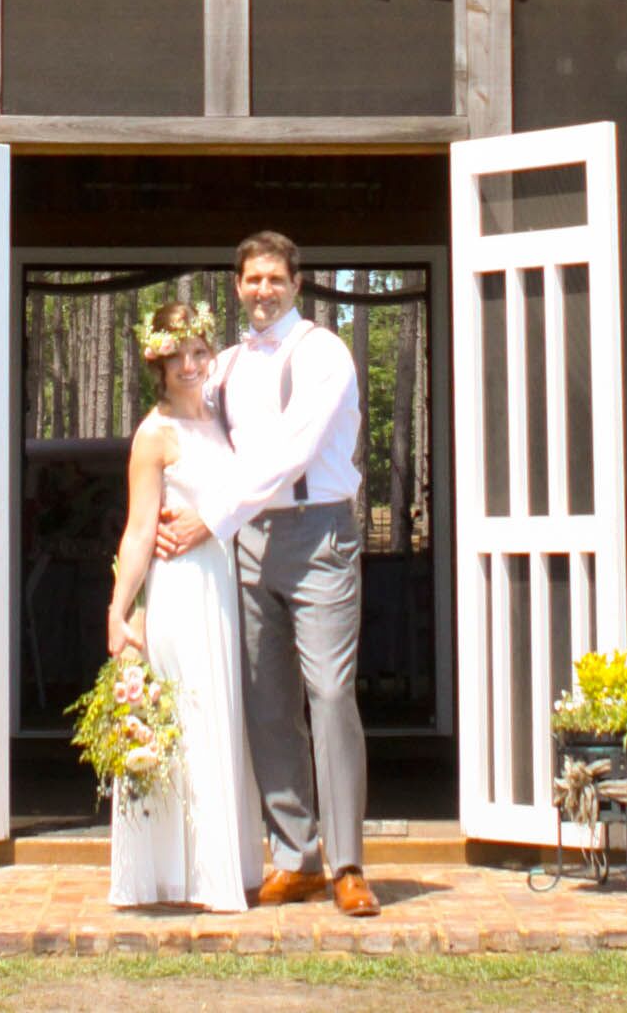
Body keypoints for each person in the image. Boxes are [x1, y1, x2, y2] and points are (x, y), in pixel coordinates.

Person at [155, 232, 378, 920]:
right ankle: (294, 856)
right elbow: (191, 430)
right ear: (236, 285)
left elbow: (290, 452)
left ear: (297, 283)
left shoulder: (323, 354)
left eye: (275, 278)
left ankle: (347, 865)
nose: (263, 290)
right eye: (252, 279)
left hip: (318, 535)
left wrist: (210, 519)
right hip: (247, 542)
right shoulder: (221, 365)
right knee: (265, 700)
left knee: (332, 694)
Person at [105, 301, 261, 916]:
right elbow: (141, 529)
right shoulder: (155, 434)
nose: (192, 365)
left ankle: (221, 868)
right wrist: (120, 611)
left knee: (220, 715)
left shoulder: (224, 421)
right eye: (179, 356)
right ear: (159, 363)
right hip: (178, 590)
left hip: (223, 584)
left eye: (200, 352)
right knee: (186, 714)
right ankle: (175, 875)